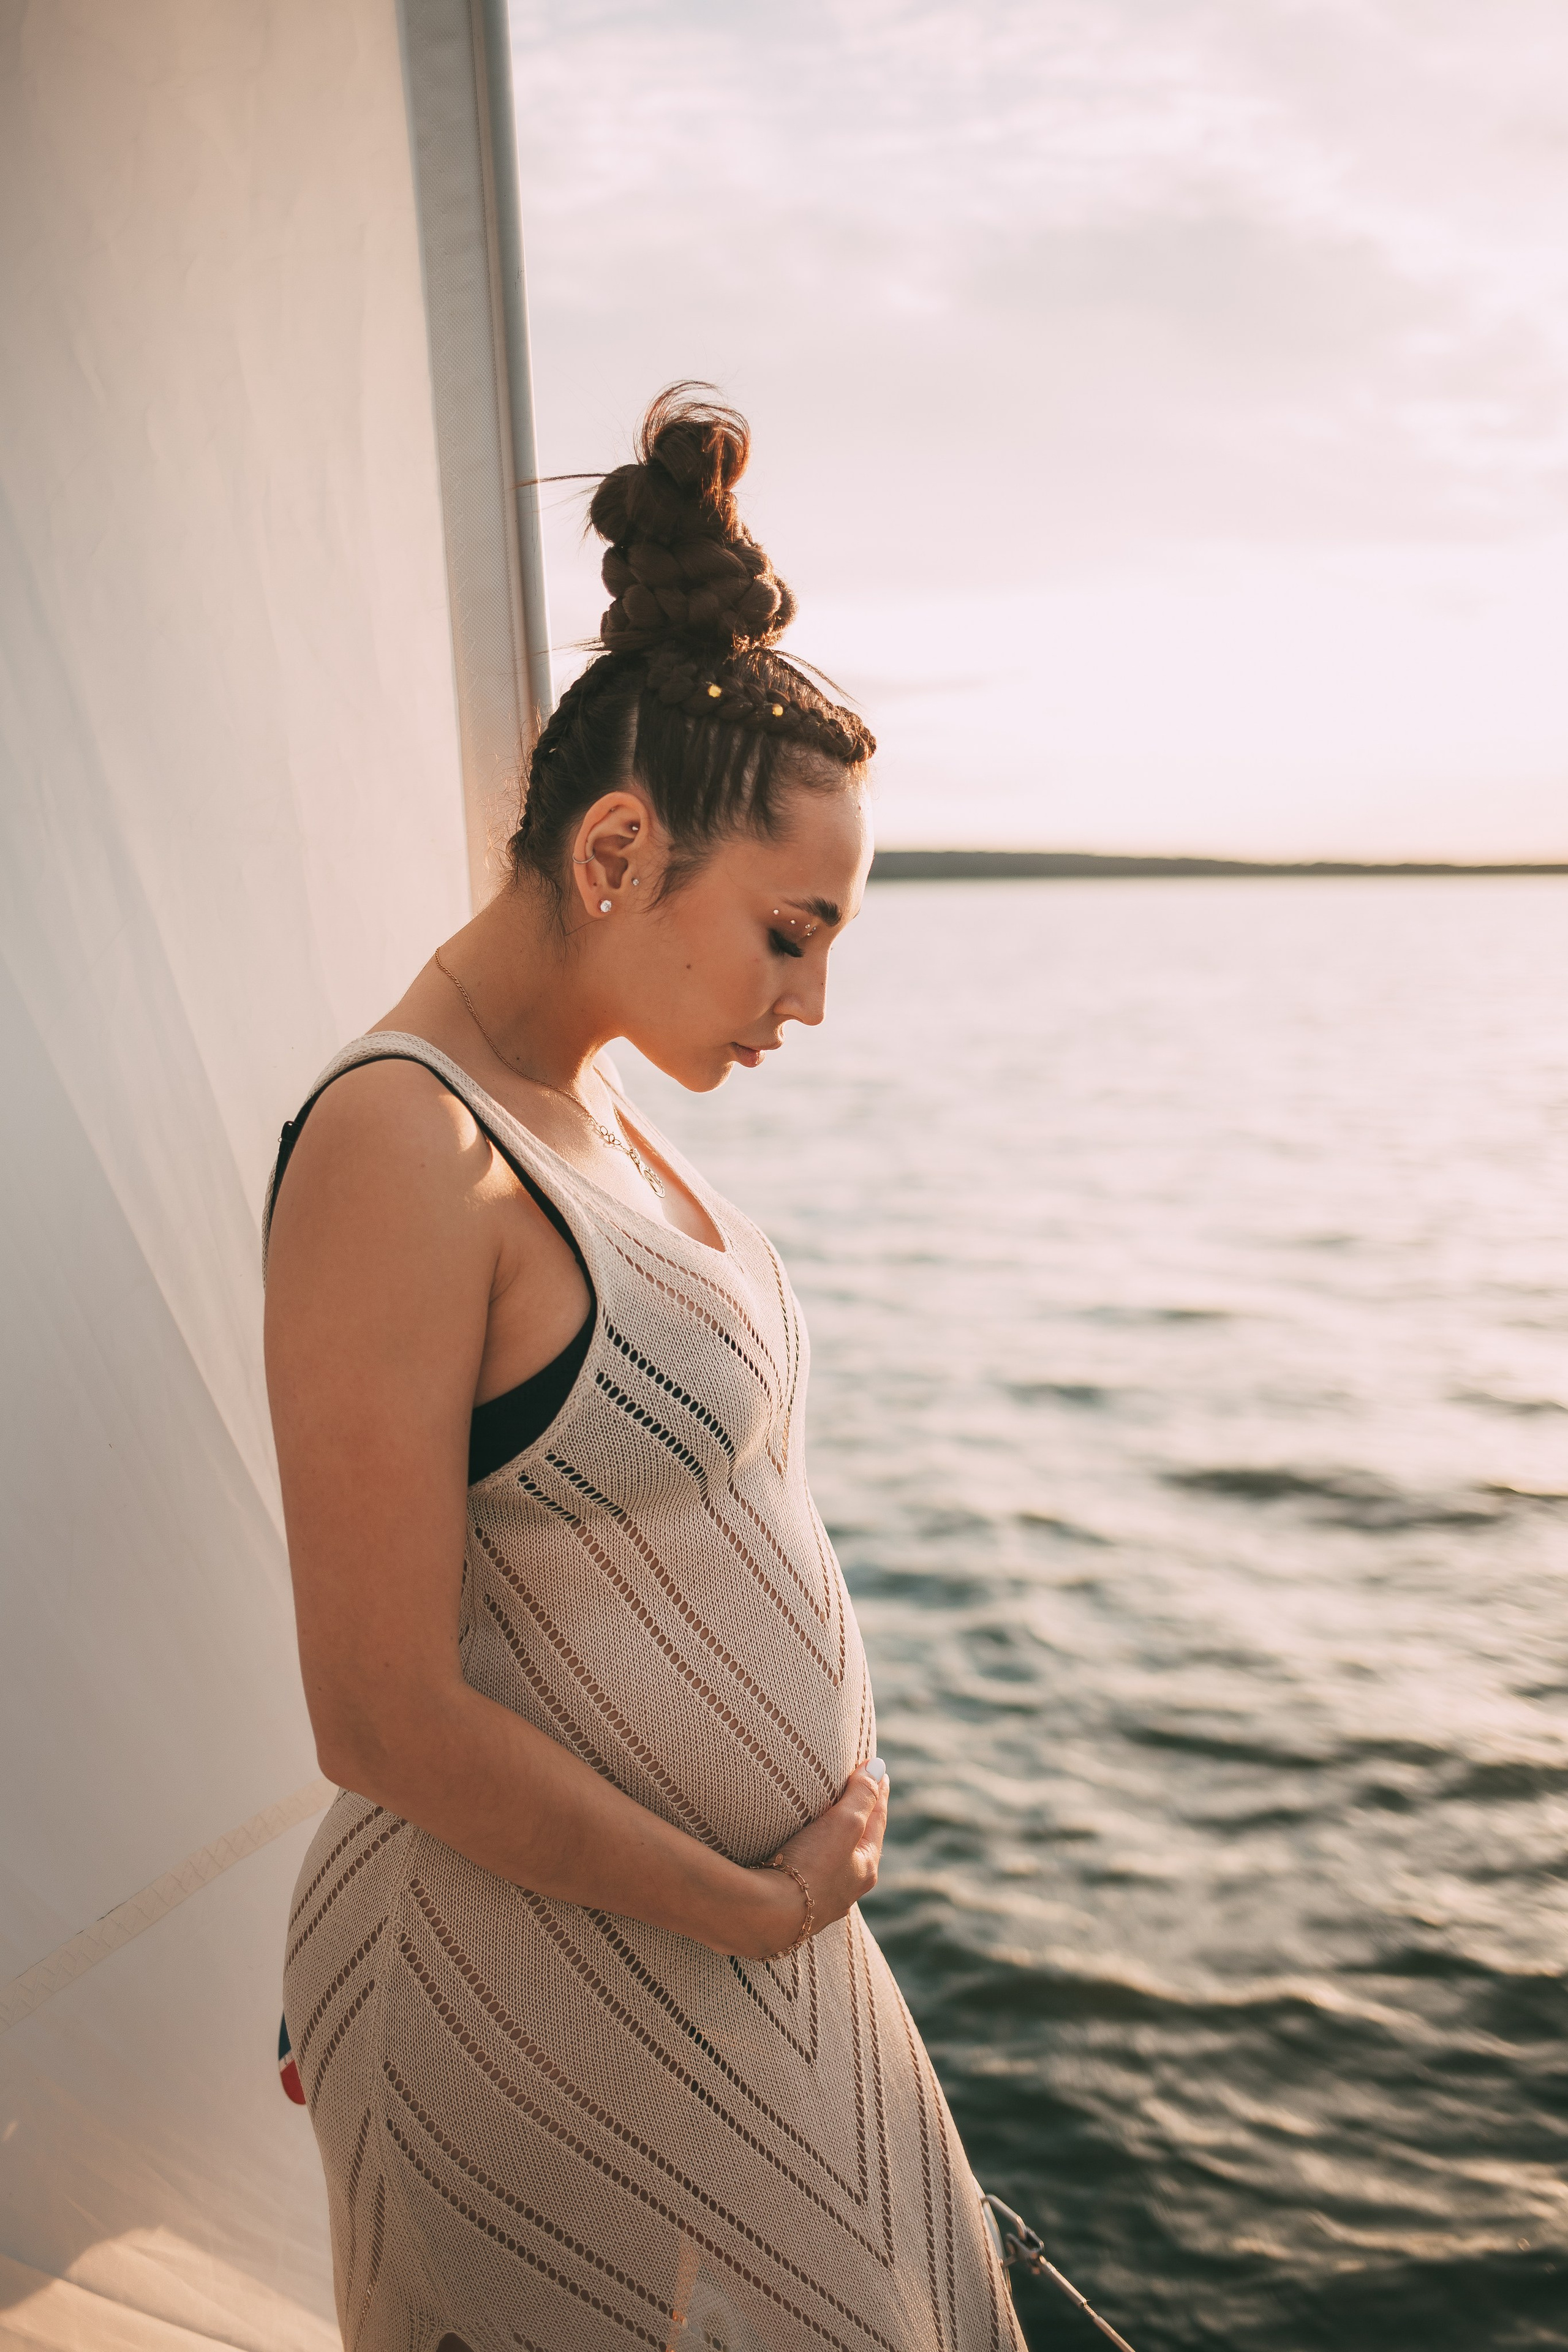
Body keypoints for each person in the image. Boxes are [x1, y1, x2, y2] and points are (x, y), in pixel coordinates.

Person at [264, 387, 1022, 2352]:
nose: (814, 998)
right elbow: (378, 1714)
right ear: (617, 847)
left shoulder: (589, 1111)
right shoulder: (403, 1143)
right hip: (540, 1969)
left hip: (711, 1954)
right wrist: (750, 1907)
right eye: (791, 932)